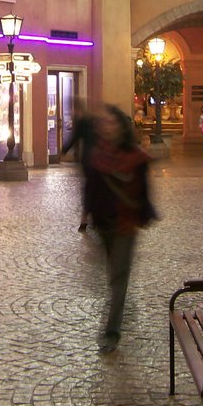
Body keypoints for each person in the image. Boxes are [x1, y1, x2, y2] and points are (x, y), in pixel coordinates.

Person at [83, 104, 157, 353]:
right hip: (104, 224)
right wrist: (90, 215)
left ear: (122, 127)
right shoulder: (96, 156)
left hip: (126, 223)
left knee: (117, 277)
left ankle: (111, 331)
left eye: (112, 123)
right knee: (113, 274)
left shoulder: (136, 158)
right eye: (104, 124)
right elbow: (90, 189)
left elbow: (144, 191)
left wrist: (143, 214)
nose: (107, 127)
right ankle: (114, 315)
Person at [61, 98, 97, 232]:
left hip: (89, 161)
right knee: (93, 188)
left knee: (89, 190)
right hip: (97, 160)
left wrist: (63, 151)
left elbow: (74, 138)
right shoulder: (93, 120)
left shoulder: (83, 122)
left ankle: (85, 220)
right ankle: (91, 218)